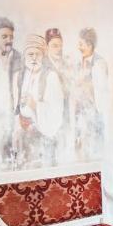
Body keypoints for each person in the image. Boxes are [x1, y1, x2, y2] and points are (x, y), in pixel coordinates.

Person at [15, 34, 65, 167]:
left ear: (43, 56)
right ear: (25, 56)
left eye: (38, 54)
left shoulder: (51, 77)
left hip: (43, 138)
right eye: (30, 54)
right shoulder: (20, 76)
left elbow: (57, 110)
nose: (34, 58)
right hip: (24, 136)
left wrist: (34, 105)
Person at [0, 17, 22, 166]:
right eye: (4, 36)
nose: (9, 40)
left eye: (11, 37)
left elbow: (18, 88)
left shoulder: (17, 57)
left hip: (11, 112)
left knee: (12, 148)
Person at [73, 27, 108, 161]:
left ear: (90, 45)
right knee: (79, 147)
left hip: (94, 113)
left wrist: (85, 85)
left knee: (94, 150)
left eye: (81, 44)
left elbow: (101, 90)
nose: (79, 47)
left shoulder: (99, 63)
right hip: (80, 112)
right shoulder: (78, 64)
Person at [45, 28, 74, 163]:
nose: (58, 49)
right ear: (47, 46)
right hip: (48, 118)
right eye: (54, 46)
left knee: (64, 156)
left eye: (60, 46)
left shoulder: (66, 65)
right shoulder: (42, 66)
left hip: (66, 116)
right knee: (49, 156)